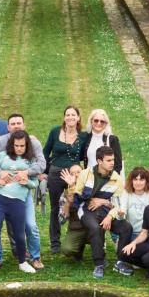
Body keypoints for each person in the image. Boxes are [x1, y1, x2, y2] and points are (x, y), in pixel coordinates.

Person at [0, 131, 39, 277]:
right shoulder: (3, 156)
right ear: (12, 144)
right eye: (16, 145)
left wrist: (27, 181)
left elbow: (35, 183)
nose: (19, 148)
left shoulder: (30, 161)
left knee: (19, 235)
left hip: (18, 201)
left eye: (22, 146)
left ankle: (23, 263)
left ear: (27, 145)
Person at [0, 113, 46, 269]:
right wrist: (0, 173)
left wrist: (27, 173)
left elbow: (41, 164)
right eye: (13, 123)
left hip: (23, 192)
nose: (16, 126)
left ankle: (35, 257)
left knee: (30, 225)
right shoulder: (0, 143)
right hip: (2, 191)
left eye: (19, 123)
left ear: (24, 125)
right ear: (8, 127)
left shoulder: (33, 142)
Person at [65, 146, 134, 278]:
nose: (112, 163)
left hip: (107, 211)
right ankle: (99, 264)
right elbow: (78, 197)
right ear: (99, 161)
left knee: (126, 228)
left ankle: (120, 262)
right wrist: (91, 198)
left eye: (113, 160)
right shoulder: (85, 174)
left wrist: (109, 214)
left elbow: (118, 203)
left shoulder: (117, 178)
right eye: (108, 160)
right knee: (96, 228)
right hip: (87, 209)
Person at [43, 105, 88, 254]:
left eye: (73, 115)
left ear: (78, 118)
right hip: (56, 174)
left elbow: (83, 155)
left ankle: (75, 238)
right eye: (67, 115)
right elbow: (45, 152)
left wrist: (78, 170)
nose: (70, 117)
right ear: (64, 117)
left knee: (75, 204)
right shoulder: (55, 132)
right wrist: (44, 172)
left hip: (74, 174)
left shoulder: (83, 136)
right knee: (55, 208)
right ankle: (55, 242)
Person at [116, 167, 149, 235]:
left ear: (146, 181)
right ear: (131, 181)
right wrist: (120, 214)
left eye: (141, 180)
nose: (138, 183)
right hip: (131, 233)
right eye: (135, 179)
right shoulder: (126, 193)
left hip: (148, 233)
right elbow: (122, 211)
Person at [84, 108, 123, 174]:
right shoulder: (86, 137)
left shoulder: (112, 139)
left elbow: (118, 164)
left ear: (106, 124)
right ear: (91, 121)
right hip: (89, 178)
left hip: (106, 179)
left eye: (102, 121)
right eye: (96, 120)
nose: (99, 123)